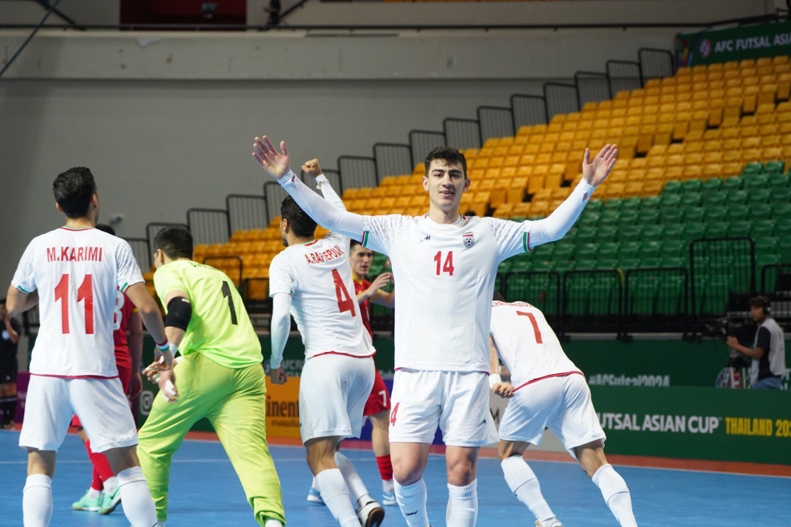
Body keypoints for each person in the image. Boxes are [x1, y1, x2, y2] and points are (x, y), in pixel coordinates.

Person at [253, 135, 617, 527]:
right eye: (439, 173)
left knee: (461, 471)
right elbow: (336, 220)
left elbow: (550, 230)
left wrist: (587, 185)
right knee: (406, 470)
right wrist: (288, 178)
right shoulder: (398, 230)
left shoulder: (490, 232)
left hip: (468, 373)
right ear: (425, 182)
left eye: (455, 174)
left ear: (466, 184)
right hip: (414, 373)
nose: (447, 180)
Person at [6, 166, 174, 527]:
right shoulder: (114, 246)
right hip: (95, 369)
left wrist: (44, 295)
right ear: (95, 199)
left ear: (58, 205)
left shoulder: (39, 245)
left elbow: (13, 305)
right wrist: (164, 347)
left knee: (40, 462)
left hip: (47, 368)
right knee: (126, 463)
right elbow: (146, 307)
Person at [136, 225, 286, 527]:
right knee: (252, 455)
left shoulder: (168, 271)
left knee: (151, 443)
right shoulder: (217, 274)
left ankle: (151, 522)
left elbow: (179, 308)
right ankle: (273, 522)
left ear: (159, 255)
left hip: (210, 363)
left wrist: (167, 360)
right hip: (249, 369)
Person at [268, 159, 384, 527]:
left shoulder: (285, 260)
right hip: (363, 361)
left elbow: (280, 317)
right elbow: (340, 213)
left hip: (327, 359)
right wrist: (319, 178)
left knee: (316, 456)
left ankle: (349, 522)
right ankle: (365, 502)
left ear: (284, 224)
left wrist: (274, 360)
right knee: (328, 449)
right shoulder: (337, 243)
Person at [489, 292, 638, 527]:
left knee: (508, 454)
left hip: (535, 383)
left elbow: (489, 348)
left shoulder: (484, 313)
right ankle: (630, 524)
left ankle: (548, 521)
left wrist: (494, 380)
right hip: (572, 378)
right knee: (597, 462)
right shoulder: (530, 308)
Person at [303, 161, 396, 509]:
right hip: (348, 356)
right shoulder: (342, 280)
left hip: (356, 360)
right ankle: (386, 490)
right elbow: (345, 305)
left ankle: (318, 485)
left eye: (371, 254)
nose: (367, 259)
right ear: (348, 255)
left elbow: (393, 301)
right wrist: (368, 293)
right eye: (362, 253)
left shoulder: (366, 285)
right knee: (376, 423)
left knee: (340, 427)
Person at [70, 223, 144, 515]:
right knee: (107, 426)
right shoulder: (128, 281)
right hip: (122, 361)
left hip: (93, 360)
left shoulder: (85, 278)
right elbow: (136, 332)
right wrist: (136, 371)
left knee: (85, 427)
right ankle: (95, 491)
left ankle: (114, 484)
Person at [726, 296, 786, 390]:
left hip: (764, 380)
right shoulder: (775, 326)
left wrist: (736, 345)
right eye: (752, 309)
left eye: (757, 309)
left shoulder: (765, 328)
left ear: (766, 310)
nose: (753, 312)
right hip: (774, 379)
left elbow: (758, 354)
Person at [0, 298, 21, 430]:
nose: (1, 311)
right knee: (1, 391)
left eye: (3, 308)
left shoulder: (14, 323)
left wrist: (7, 324)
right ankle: (4, 420)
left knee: (10, 388)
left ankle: (10, 420)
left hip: (9, 361)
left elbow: (15, 339)